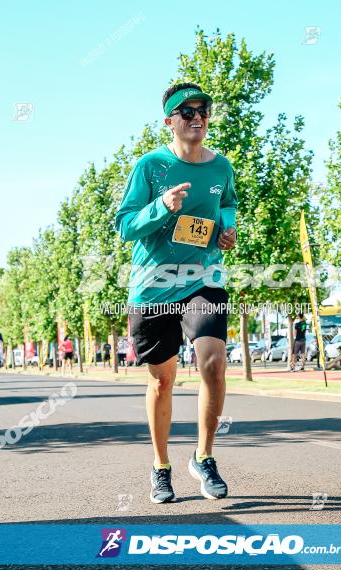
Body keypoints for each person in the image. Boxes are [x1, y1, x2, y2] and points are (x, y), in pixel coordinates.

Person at [114, 82, 238, 504]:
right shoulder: (151, 167)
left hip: (203, 279)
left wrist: (226, 227)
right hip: (154, 288)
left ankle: (204, 457)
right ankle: (161, 467)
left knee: (213, 362)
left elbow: (228, 203)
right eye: (186, 112)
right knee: (163, 381)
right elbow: (126, 225)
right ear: (169, 121)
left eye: (203, 110)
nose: (197, 117)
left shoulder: (222, 167)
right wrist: (161, 207)